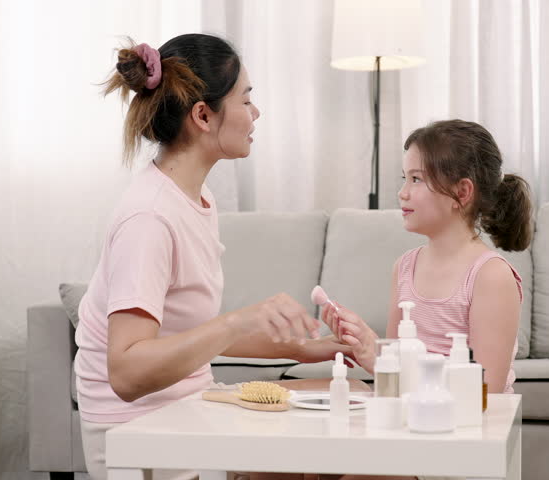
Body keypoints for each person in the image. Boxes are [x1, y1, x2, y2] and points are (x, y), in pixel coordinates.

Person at [74, 34, 350, 480]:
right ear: (203, 115)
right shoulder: (149, 218)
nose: (255, 113)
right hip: (140, 437)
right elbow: (125, 373)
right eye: (246, 99)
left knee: (331, 450)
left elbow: (188, 335)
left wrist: (311, 348)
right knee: (318, 465)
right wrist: (237, 320)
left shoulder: (194, 199)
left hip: (185, 413)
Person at [324, 119, 533, 397]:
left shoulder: (490, 276)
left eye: (416, 179)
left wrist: (381, 361)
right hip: (415, 422)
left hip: (473, 431)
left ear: (461, 192)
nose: (402, 193)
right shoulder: (405, 268)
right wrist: (369, 350)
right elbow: (397, 382)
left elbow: (484, 394)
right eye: (404, 178)